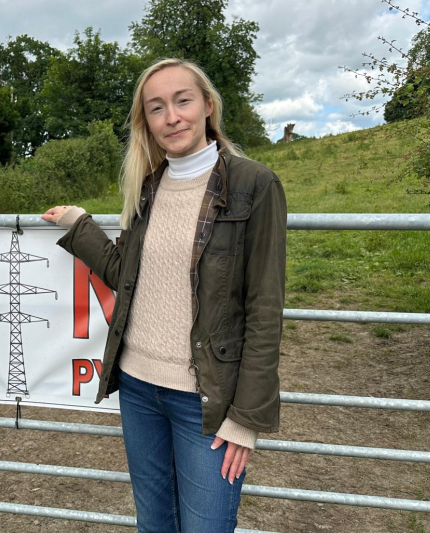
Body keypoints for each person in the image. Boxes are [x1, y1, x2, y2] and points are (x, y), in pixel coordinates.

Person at [41, 58, 286, 532]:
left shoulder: (254, 184)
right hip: (137, 389)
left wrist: (246, 419)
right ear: (146, 123)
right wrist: (80, 225)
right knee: (154, 525)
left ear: (208, 105)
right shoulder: (146, 188)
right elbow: (127, 276)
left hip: (206, 401)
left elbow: (265, 307)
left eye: (182, 100)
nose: (171, 117)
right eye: (156, 108)